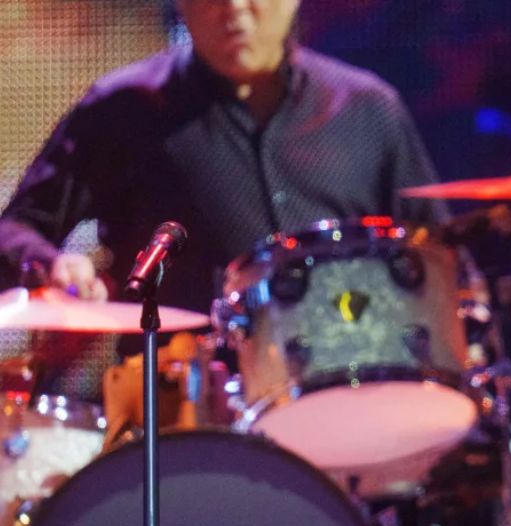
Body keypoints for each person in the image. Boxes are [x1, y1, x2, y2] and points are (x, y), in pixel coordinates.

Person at [0, 0, 445, 313]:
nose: (233, 7)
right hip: (185, 396)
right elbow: (14, 229)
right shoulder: (123, 109)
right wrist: (51, 265)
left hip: (351, 379)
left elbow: (437, 253)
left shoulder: (367, 109)